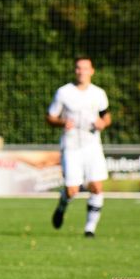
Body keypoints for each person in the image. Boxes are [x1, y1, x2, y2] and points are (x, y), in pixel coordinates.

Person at [48, 56, 111, 238]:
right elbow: (50, 117)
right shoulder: (63, 92)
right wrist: (61, 122)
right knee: (72, 190)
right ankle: (62, 204)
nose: (81, 71)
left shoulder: (98, 93)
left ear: (92, 71)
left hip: (92, 145)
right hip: (71, 145)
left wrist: (103, 123)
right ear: (74, 71)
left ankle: (89, 230)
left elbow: (106, 116)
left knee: (97, 187)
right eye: (78, 68)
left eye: (85, 68)